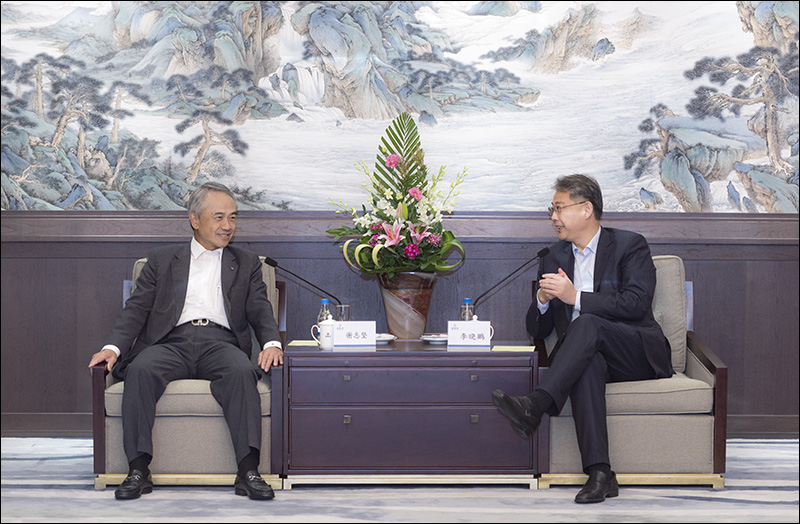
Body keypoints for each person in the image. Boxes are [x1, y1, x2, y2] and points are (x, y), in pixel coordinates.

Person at [88, 182, 283, 500]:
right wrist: (112, 348)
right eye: (219, 217)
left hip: (221, 343)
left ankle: (248, 471)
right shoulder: (162, 260)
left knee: (241, 372)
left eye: (233, 217)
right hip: (170, 342)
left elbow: (260, 309)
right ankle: (138, 470)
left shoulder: (246, 263)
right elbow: (136, 310)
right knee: (140, 370)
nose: (227, 225)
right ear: (194, 219)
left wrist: (272, 342)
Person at [492, 174, 673, 503]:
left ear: (586, 209)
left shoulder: (630, 245)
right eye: (552, 209)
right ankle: (600, 474)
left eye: (559, 208)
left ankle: (536, 404)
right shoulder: (553, 257)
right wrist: (542, 302)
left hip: (635, 351)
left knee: (587, 321)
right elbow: (537, 331)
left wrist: (575, 297)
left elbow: (636, 303)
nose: (553, 217)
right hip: (586, 355)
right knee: (587, 364)